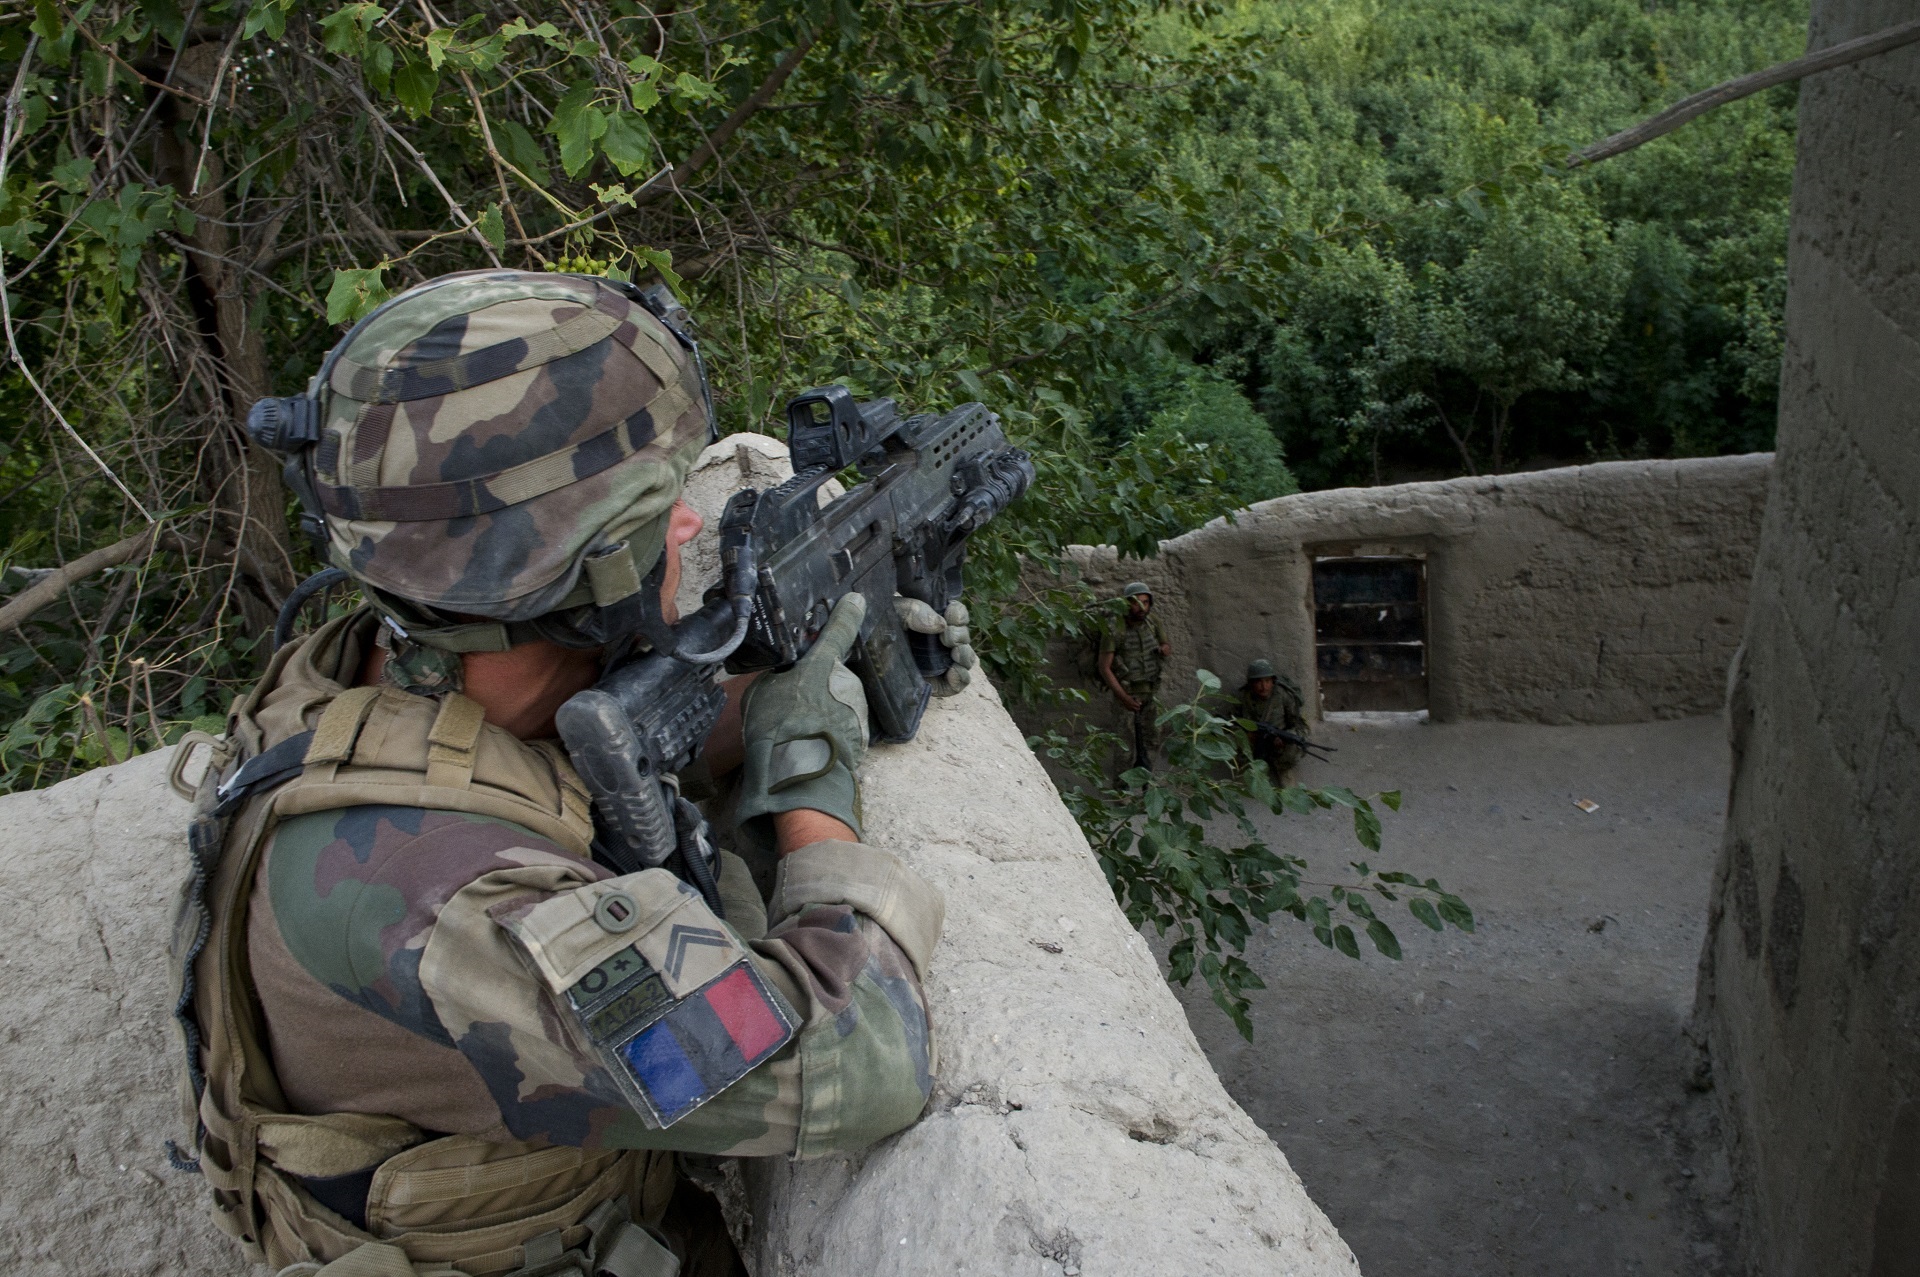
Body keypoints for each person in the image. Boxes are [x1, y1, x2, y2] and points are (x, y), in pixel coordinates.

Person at [174, 270, 957, 1277]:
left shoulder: (381, 661)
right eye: (660, 506)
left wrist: (767, 674)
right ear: (574, 570)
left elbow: (579, 746)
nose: (690, 523)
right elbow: (862, 1058)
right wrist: (813, 771)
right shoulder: (449, 905)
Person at [1097, 581, 1171, 772]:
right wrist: (1124, 698)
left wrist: (1163, 649)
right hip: (1127, 694)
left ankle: (1146, 779)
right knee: (1125, 746)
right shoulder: (1115, 629)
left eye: (1145, 602)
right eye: (1136, 603)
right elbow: (1104, 667)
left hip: (1151, 692)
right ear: (1126, 604)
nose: (1141, 607)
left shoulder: (1153, 622)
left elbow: (1166, 645)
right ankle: (1122, 790)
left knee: (1152, 739)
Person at [1235, 657, 1311, 780]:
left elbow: (1300, 726)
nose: (1264, 686)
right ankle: (1252, 769)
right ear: (1251, 683)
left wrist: (1285, 736)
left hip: (1277, 740)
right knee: (1233, 743)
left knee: (1293, 747)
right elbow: (1231, 722)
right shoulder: (1243, 697)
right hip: (1254, 740)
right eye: (1258, 682)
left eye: (1267, 681)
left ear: (1273, 681)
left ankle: (1279, 767)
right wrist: (1246, 735)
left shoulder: (1283, 696)